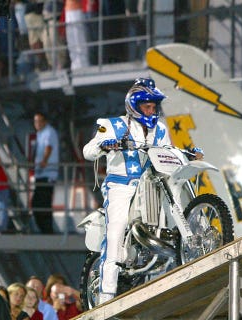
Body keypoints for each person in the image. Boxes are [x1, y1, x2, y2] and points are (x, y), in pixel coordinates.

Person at [82, 77, 170, 303]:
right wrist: (104, 145)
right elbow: (88, 150)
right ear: (135, 105)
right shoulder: (110, 124)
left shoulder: (160, 128)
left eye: (153, 106)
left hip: (151, 184)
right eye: (147, 106)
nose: (151, 110)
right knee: (116, 230)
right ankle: (106, 295)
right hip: (121, 185)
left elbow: (169, 151)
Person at [31, 113, 59, 234]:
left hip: (48, 173)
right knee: (37, 203)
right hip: (40, 173)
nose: (37, 124)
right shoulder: (39, 134)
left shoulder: (49, 132)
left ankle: (48, 230)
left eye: (39, 121)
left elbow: (49, 147)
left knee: (43, 202)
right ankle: (44, 229)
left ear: (45, 121)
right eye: (35, 121)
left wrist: (44, 161)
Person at [64, 0, 89, 70]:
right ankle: (75, 64)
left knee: (79, 39)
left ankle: (82, 64)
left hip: (77, 10)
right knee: (71, 41)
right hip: (69, 10)